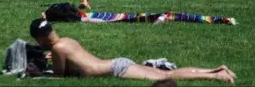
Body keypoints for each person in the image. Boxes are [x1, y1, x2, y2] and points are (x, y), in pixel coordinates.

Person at [29, 18, 237, 83]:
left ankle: (217, 76)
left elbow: (59, 75)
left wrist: (38, 74)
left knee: (167, 76)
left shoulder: (57, 48)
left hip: (116, 68)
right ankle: (216, 70)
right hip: (116, 63)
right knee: (166, 74)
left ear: (39, 38)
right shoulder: (66, 41)